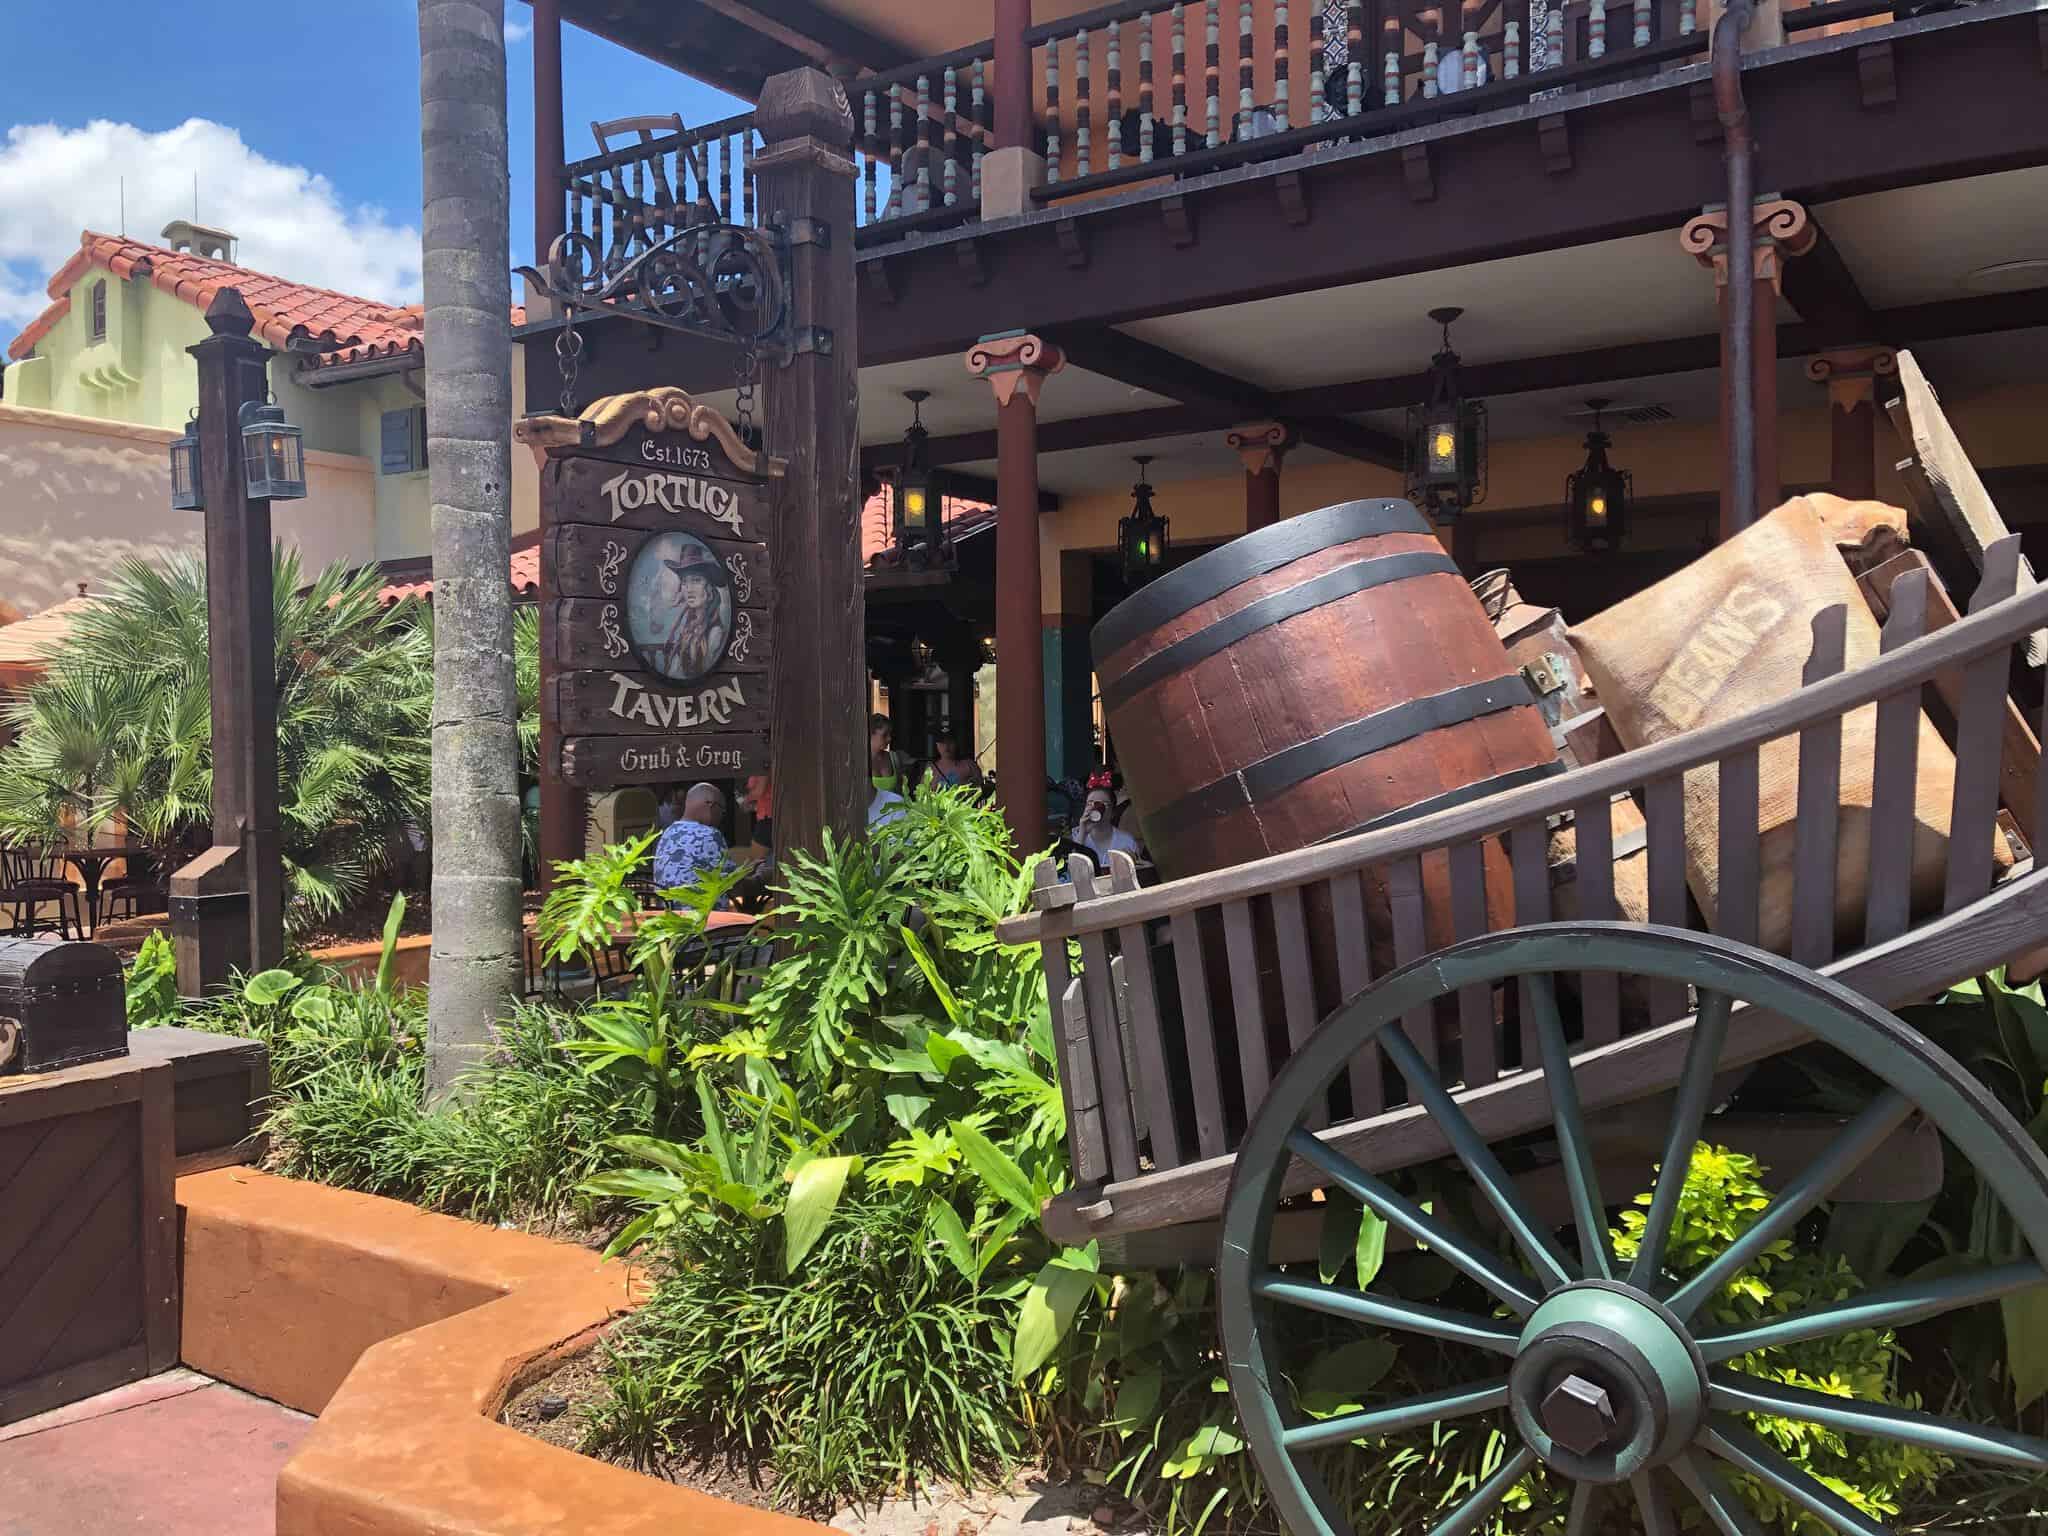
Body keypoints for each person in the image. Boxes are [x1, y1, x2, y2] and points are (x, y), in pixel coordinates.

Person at [656, 555, 728, 679]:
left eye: (696, 580)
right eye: (684, 582)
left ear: (709, 588)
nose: (689, 589)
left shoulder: (715, 633)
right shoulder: (688, 629)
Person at [651, 782, 731, 893]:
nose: (721, 817)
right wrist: (758, 875)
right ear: (711, 805)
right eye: (722, 811)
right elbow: (733, 883)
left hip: (667, 908)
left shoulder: (668, 832)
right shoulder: (709, 835)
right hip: (700, 909)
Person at [1072, 781, 1141, 869]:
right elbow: (1072, 871)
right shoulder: (1075, 837)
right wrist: (1083, 833)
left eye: (1103, 804)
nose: (1094, 808)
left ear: (1113, 812)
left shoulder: (1126, 841)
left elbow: (1138, 871)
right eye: (1090, 803)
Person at [870, 714, 909, 794]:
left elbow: (901, 790)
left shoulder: (893, 758)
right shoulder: (860, 760)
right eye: (884, 735)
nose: (889, 739)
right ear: (871, 734)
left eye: (890, 734)